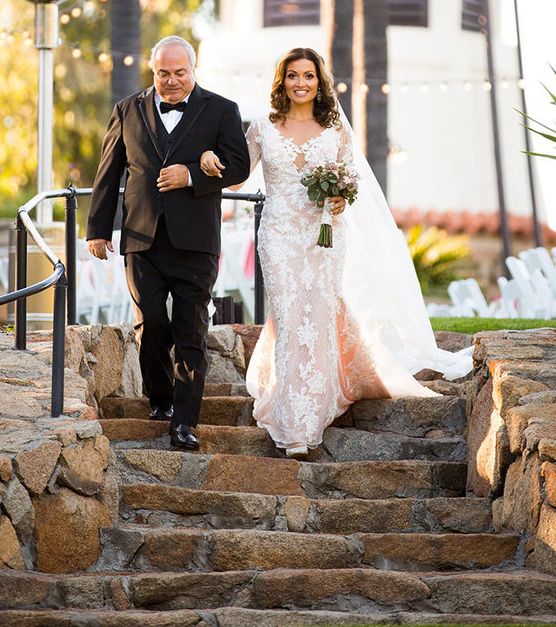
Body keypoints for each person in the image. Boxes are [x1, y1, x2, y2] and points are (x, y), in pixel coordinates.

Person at [201, 46, 473, 458]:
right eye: (292, 75)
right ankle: (296, 423)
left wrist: (341, 198)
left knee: (318, 313)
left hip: (324, 236)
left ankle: (311, 409)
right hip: (278, 234)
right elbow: (238, 178)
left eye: (308, 75)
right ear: (282, 81)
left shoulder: (336, 131)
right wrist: (207, 159)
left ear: (319, 81)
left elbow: (351, 182)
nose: (300, 83)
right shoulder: (262, 127)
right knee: (291, 317)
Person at [86, 35, 249, 452]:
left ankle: (184, 422)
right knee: (152, 323)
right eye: (164, 73)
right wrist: (98, 228)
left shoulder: (221, 110)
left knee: (191, 327)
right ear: (152, 71)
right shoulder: (127, 110)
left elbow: (240, 166)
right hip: (141, 238)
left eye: (180, 73)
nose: (172, 81)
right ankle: (159, 399)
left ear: (193, 70)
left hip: (195, 240)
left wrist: (193, 174)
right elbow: (109, 173)